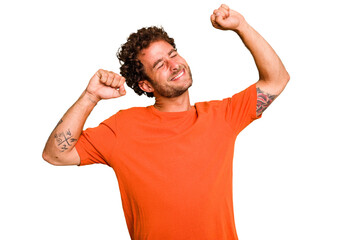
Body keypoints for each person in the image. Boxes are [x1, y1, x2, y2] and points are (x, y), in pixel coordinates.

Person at [43, 4, 289, 240]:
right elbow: (55, 154)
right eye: (160, 64)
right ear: (146, 85)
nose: (174, 65)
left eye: (173, 54)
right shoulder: (122, 128)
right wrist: (90, 97)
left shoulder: (221, 116)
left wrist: (242, 26)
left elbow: (277, 80)